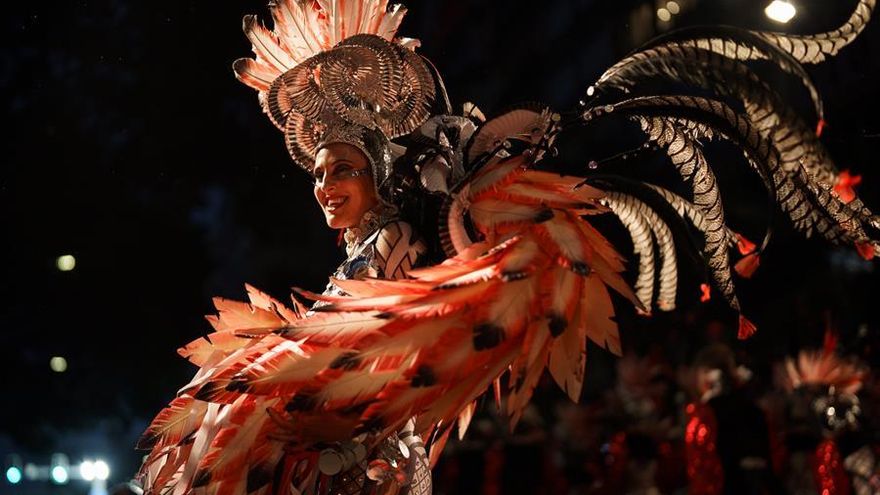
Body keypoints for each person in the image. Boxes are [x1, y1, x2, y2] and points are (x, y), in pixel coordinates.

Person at [137, 1, 879, 494]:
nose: (326, 186)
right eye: (321, 172)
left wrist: (345, 414)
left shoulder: (396, 242)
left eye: (345, 170)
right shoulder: (358, 255)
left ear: (380, 176)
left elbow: (418, 347)